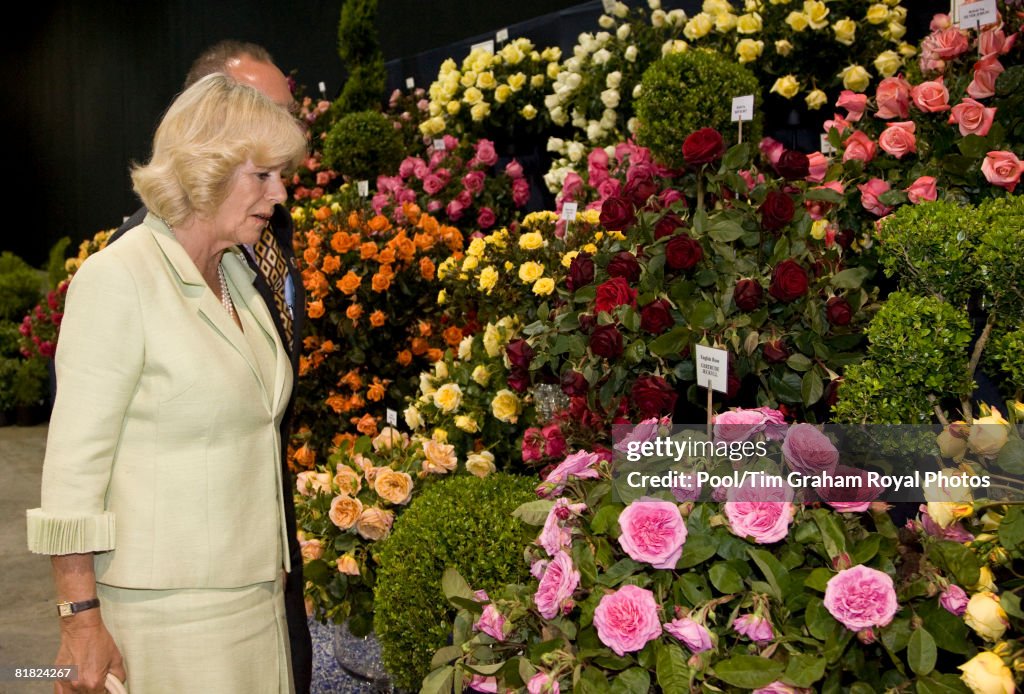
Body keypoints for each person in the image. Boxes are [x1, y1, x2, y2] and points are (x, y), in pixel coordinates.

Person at [27, 73, 308, 692]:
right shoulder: (119, 278)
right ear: (208, 167)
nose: (280, 193)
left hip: (258, 605)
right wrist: (79, 620)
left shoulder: (239, 277)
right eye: (264, 175)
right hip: (166, 623)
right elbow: (73, 473)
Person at [107, 40, 314, 693]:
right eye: (264, 114)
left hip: (259, 565)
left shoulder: (250, 249)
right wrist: (78, 613)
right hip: (176, 594)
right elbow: (84, 456)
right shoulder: (129, 265)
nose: (281, 186)